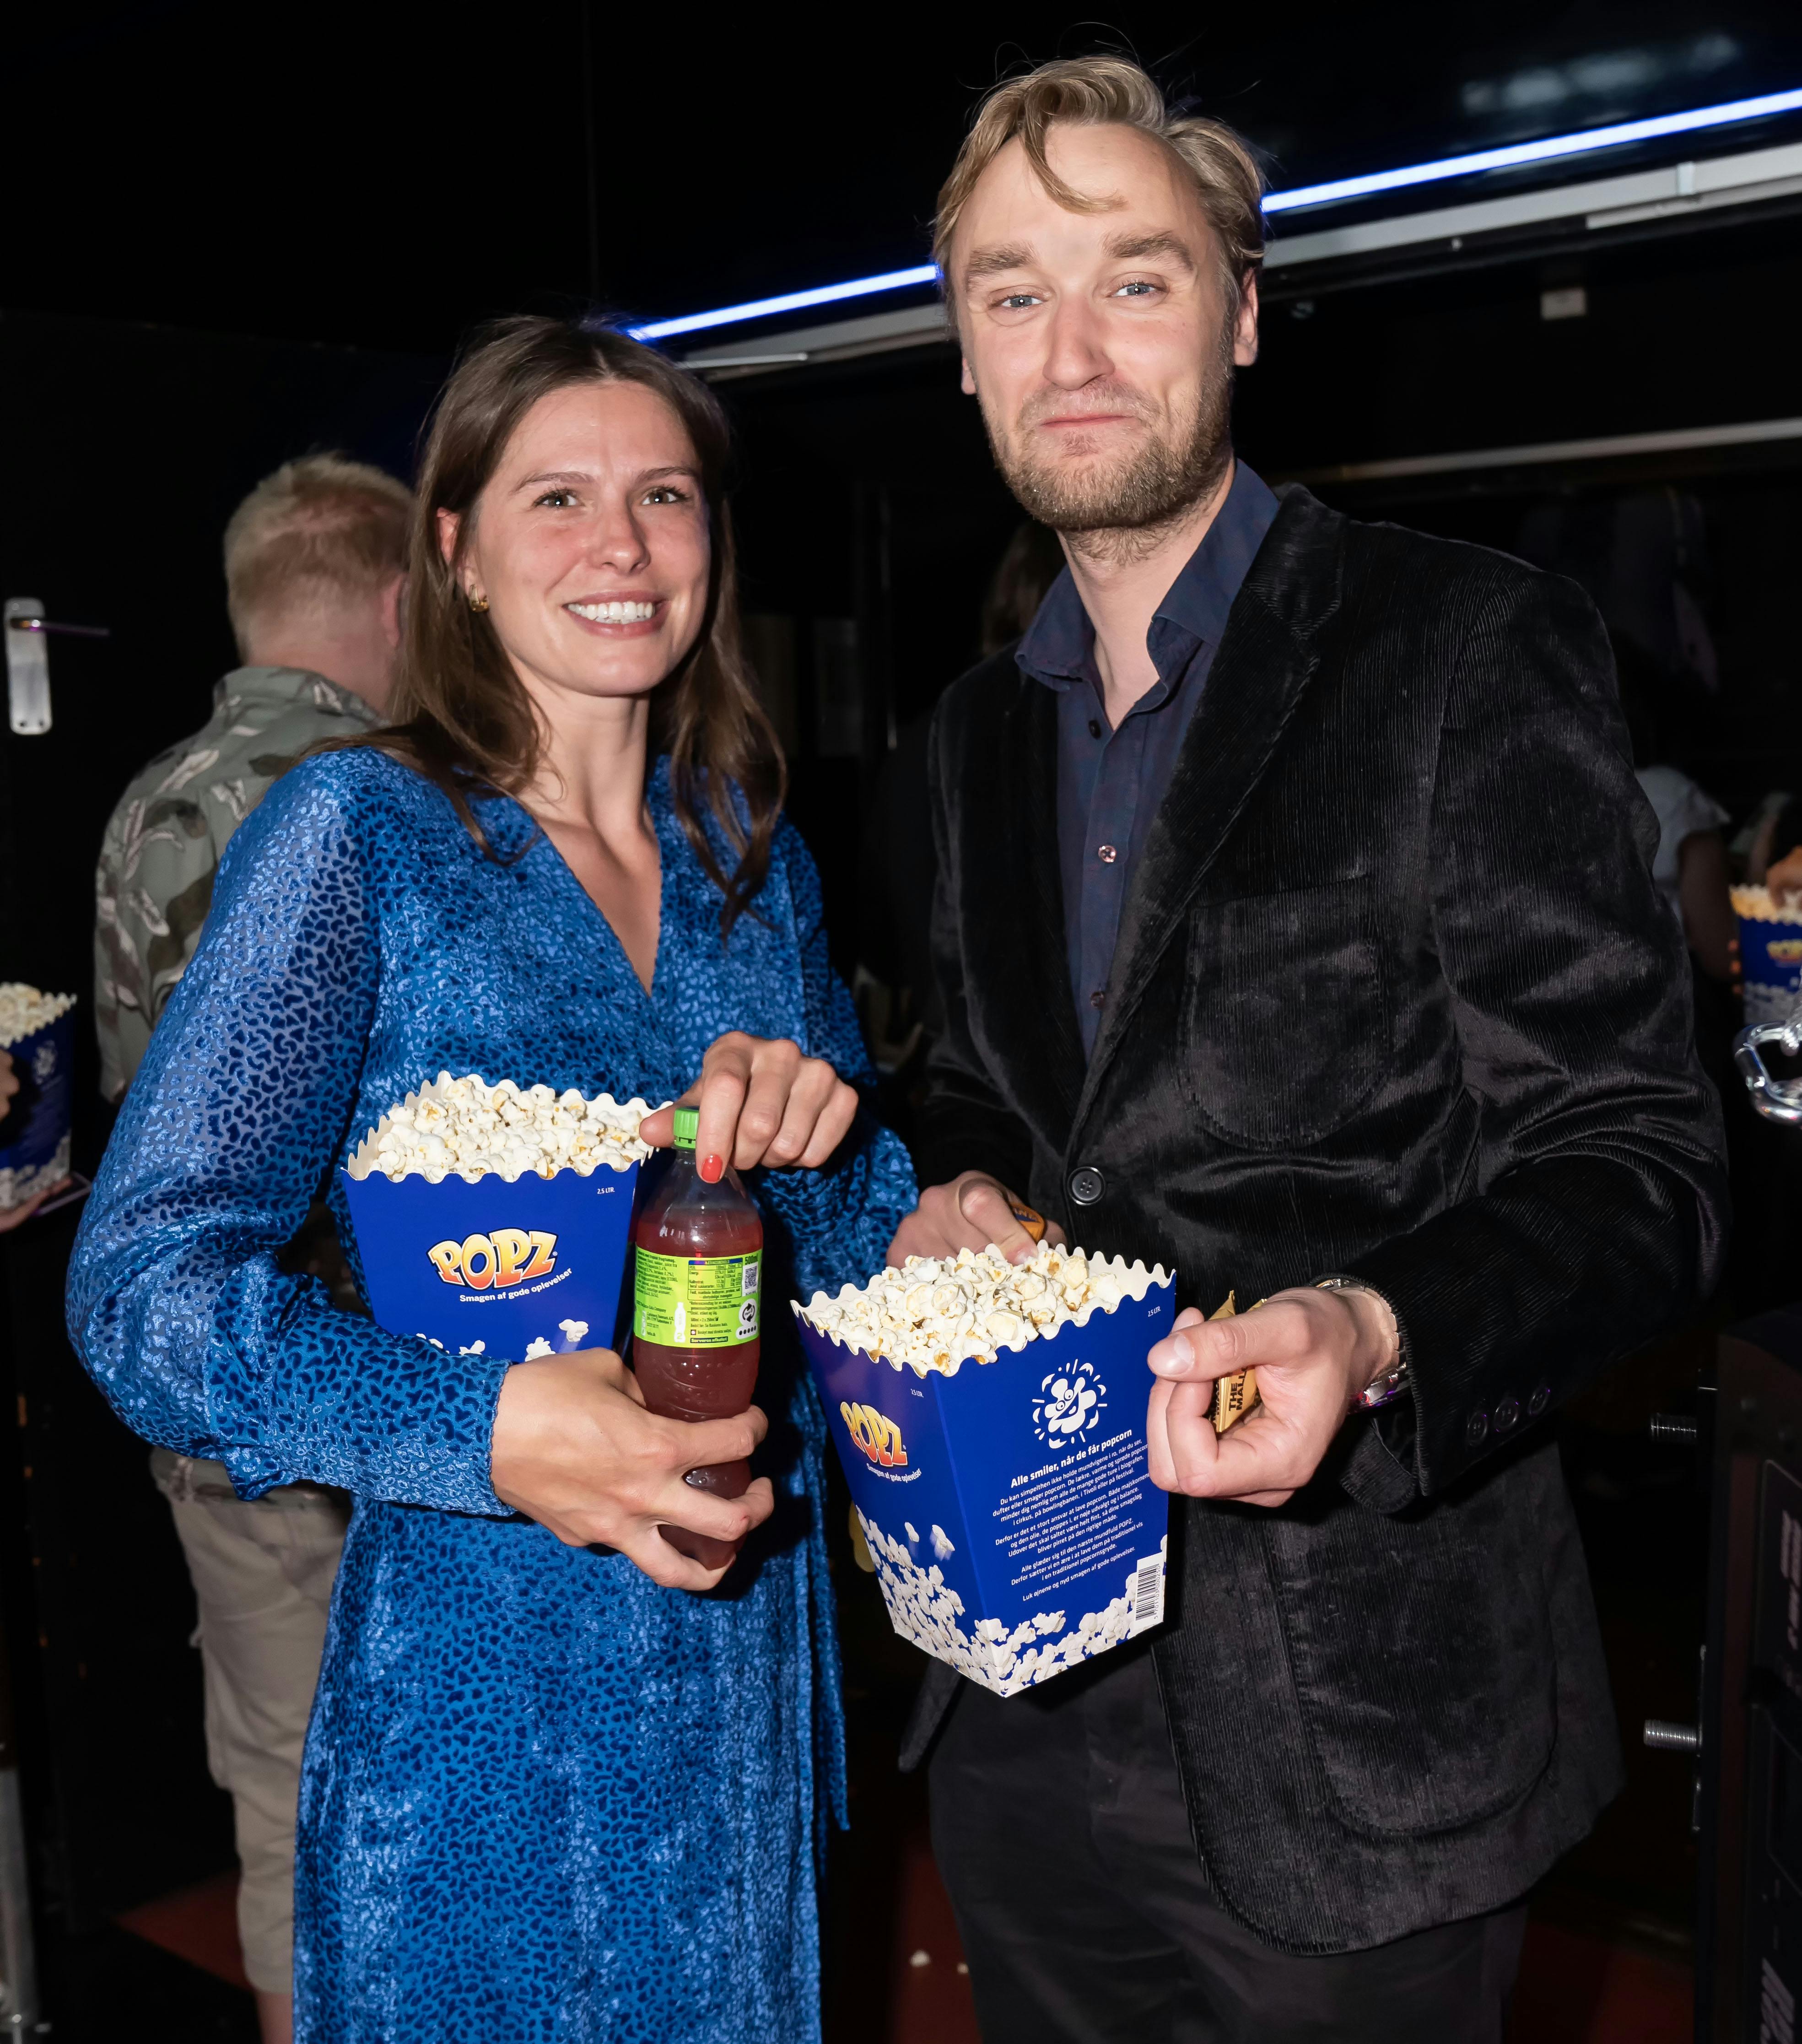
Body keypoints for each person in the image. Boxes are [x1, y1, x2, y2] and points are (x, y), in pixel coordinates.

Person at [889, 56, 1727, 2043]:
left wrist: (1370, 1325)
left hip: (1357, 1726)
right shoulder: (975, 734)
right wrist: (959, 1178)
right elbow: (983, 1085)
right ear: (964, 355)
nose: (1071, 349)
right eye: (1013, 294)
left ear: (1243, 315)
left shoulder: (1459, 646)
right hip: (1017, 1684)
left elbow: (1639, 1169)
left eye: (1135, 280)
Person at [68, 317, 913, 2043]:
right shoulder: (361, 837)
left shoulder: (749, 853)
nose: (622, 545)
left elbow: (835, 1250)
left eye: (663, 495)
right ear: (451, 549)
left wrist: (857, 1165)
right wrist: (483, 1427)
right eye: (558, 498)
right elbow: (142, 1289)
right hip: (480, 1707)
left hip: (736, 1681)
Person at [91, 451, 410, 2043]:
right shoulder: (384, 803)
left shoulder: (149, 799)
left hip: (216, 1398)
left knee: (286, 1805)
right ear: (404, 602)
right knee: (442, 1802)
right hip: (397, 1397)